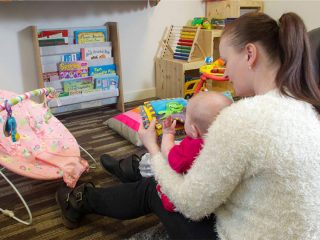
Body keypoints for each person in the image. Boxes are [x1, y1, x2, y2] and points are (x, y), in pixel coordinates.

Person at [56, 12, 320, 239]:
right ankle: (133, 170)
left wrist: (155, 151)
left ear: (250, 54)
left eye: (226, 62)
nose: (225, 73)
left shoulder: (244, 119)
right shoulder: (306, 107)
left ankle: (78, 200)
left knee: (155, 189)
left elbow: (191, 204)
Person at [157, 92, 232, 212]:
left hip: (190, 200)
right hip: (220, 192)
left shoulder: (194, 147)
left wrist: (168, 134)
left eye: (186, 118)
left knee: (161, 177)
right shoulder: (232, 140)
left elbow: (170, 155)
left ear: (194, 130)